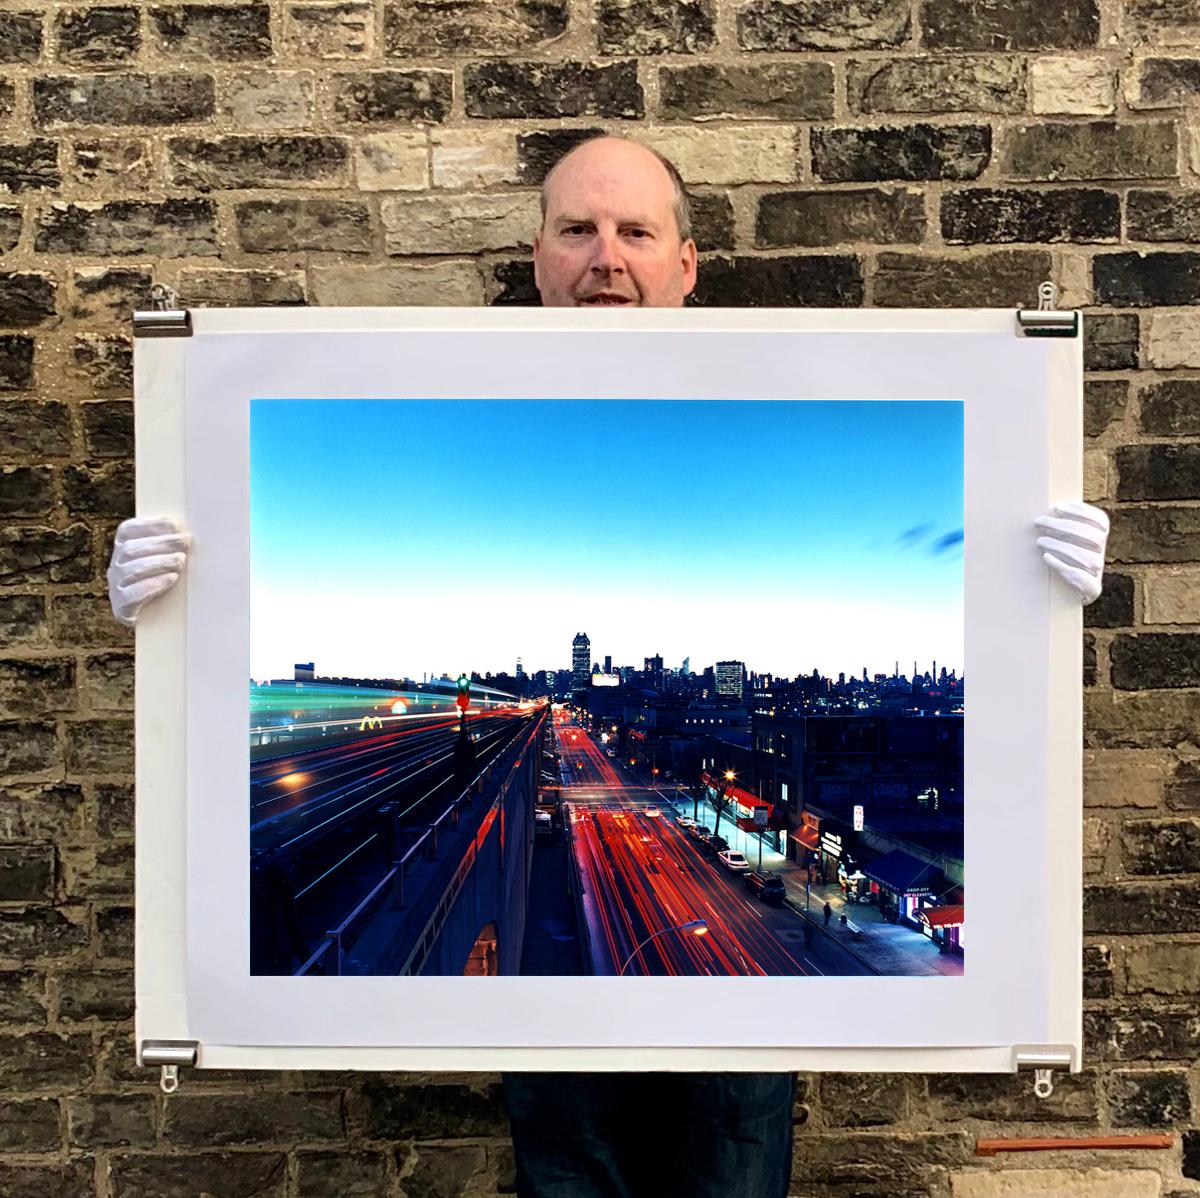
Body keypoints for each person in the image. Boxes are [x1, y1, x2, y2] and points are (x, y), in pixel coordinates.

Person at [107, 135, 1111, 1198]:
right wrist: (174, 617)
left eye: (635, 231)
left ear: (687, 263)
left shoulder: (767, 390)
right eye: (578, 230)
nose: (606, 258)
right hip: (553, 1020)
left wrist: (1034, 594)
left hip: (743, 1028)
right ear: (537, 255)